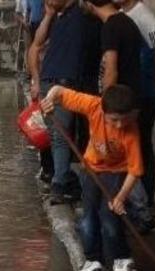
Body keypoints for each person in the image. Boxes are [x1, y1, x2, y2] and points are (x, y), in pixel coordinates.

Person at [41, 84, 143, 271]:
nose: (119, 125)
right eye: (114, 120)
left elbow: (135, 171)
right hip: (93, 168)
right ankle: (93, 259)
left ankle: (122, 258)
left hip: (117, 172)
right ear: (104, 112)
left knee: (109, 218)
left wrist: (121, 197)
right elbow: (59, 91)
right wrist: (48, 101)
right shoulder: (94, 106)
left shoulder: (131, 131)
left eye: (124, 120)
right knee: (88, 219)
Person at [85, 0, 153, 231]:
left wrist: (105, 105)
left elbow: (111, 68)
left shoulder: (111, 27)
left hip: (121, 105)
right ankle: (139, 210)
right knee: (132, 157)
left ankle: (141, 212)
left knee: (128, 159)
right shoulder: (126, 22)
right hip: (129, 102)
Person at [28, 0, 101, 205]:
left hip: (70, 83)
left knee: (62, 136)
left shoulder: (85, 13)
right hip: (52, 83)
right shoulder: (59, 16)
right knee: (58, 136)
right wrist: (49, 15)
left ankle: (63, 180)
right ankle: (61, 180)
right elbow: (36, 45)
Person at [119, 0, 155, 208]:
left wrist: (148, 77)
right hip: (131, 93)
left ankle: (145, 202)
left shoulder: (146, 18)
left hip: (143, 95)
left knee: (141, 147)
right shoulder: (121, 14)